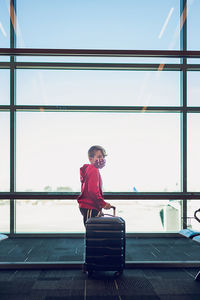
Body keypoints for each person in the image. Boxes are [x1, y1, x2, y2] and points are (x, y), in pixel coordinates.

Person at [77, 145, 111, 226]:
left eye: (103, 157)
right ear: (90, 159)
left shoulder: (89, 169)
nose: (102, 159)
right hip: (90, 207)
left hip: (88, 207)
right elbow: (92, 190)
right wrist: (103, 203)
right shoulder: (93, 169)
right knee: (93, 234)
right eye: (99, 156)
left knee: (93, 233)